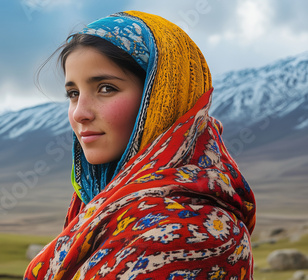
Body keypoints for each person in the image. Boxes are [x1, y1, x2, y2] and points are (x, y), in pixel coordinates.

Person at [25, 11, 256, 279]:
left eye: (106, 88)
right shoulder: (96, 209)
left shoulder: (192, 231)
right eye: (73, 94)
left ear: (161, 96)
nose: (79, 113)